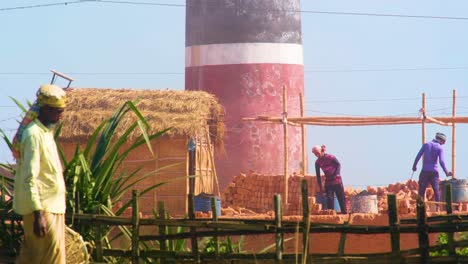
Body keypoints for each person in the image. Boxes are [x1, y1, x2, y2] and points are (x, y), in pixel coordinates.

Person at [13, 85, 67, 264]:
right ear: (46, 110)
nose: (61, 116)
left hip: (52, 207)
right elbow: (30, 177)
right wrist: (39, 215)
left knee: (31, 259)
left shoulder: (46, 133)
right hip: (43, 209)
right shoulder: (34, 135)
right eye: (58, 111)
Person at [412, 132, 452, 204]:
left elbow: (418, 156)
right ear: (441, 140)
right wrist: (446, 172)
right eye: (444, 142)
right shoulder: (440, 147)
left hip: (425, 171)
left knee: (421, 190)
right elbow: (442, 161)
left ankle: (420, 207)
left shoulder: (426, 145)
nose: (444, 144)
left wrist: (414, 166)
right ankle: (437, 208)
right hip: (434, 172)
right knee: (436, 190)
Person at [313, 144, 347, 214]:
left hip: (337, 181)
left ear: (322, 151)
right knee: (329, 199)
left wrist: (336, 174)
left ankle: (344, 213)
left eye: (317, 153)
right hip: (328, 182)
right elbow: (318, 175)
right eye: (315, 154)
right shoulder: (317, 162)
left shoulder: (330, 157)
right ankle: (331, 214)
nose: (317, 155)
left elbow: (338, 164)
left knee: (341, 198)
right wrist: (320, 187)